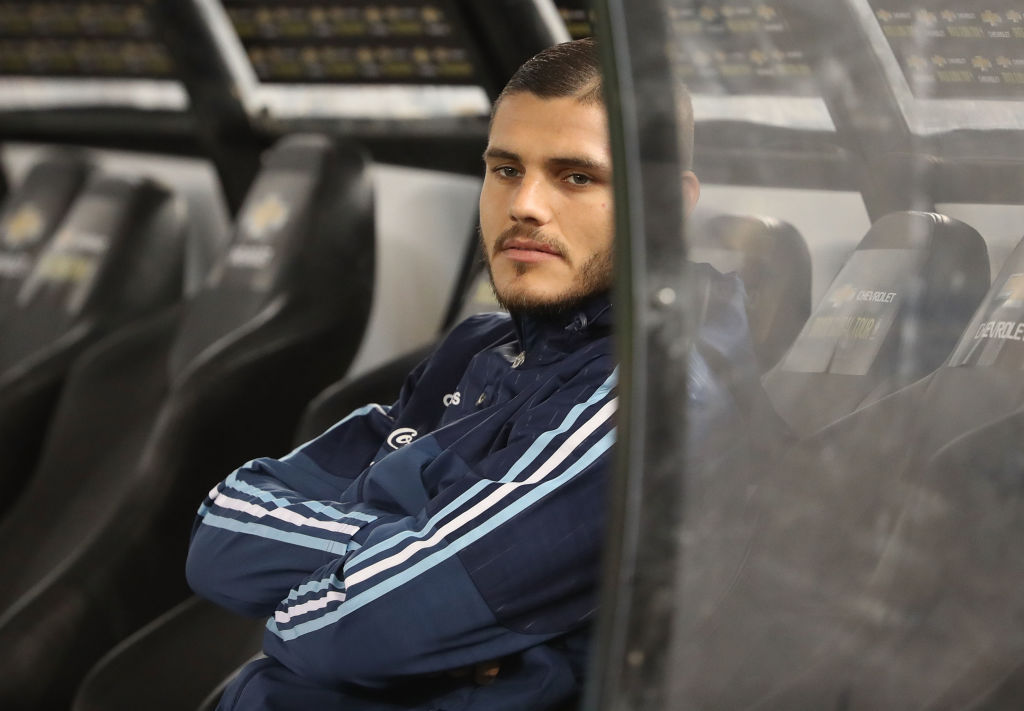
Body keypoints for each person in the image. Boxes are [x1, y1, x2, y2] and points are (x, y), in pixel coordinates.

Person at [186, 37, 760, 710]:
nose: (526, 205)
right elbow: (221, 527)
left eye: (576, 176)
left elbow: (346, 629)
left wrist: (387, 556)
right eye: (506, 170)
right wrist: (413, 548)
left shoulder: (648, 399)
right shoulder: (478, 348)